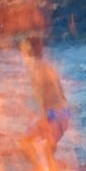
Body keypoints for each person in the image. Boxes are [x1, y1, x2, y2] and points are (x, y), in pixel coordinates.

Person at [21, 35, 70, 164]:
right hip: (64, 114)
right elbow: (61, 93)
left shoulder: (36, 70)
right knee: (49, 152)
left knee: (26, 143)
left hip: (53, 115)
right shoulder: (48, 67)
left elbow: (41, 98)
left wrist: (44, 118)